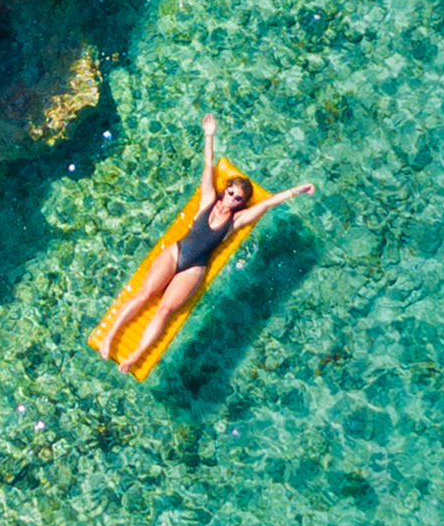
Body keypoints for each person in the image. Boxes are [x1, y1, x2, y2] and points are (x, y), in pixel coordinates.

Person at [98, 112, 315, 373]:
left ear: (241, 203)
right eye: (231, 192)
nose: (232, 198)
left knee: (164, 311)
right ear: (224, 190)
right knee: (145, 294)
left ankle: (135, 355)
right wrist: (209, 135)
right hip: (176, 252)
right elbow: (207, 165)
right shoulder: (208, 200)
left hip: (194, 268)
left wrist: (298, 190)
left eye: (237, 198)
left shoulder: (235, 222)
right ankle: (110, 336)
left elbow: (267, 203)